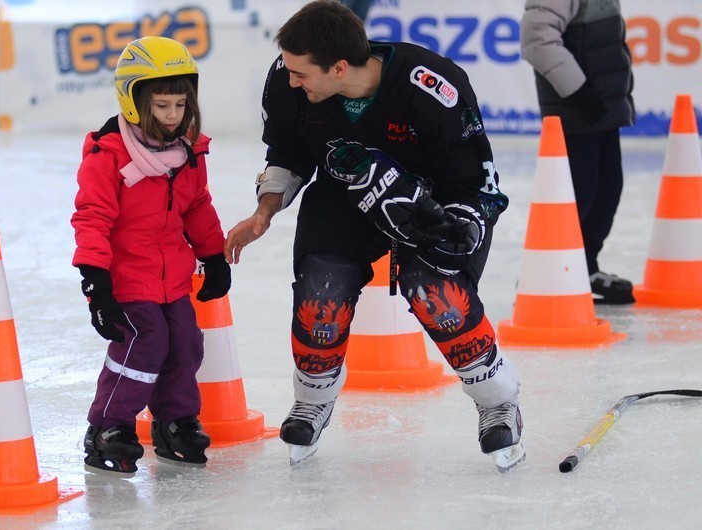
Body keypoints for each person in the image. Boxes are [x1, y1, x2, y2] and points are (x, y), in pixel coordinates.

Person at [224, 0, 524, 472]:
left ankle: (498, 402)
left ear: (339, 67)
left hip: (436, 202)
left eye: (302, 74)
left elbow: (474, 178)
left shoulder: (433, 86)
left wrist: (464, 225)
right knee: (321, 293)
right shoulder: (287, 79)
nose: (291, 81)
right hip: (343, 196)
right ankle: (313, 401)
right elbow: (287, 152)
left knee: (437, 295)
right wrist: (264, 212)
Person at [71, 36, 231, 477]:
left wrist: (213, 256)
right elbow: (93, 218)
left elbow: (197, 206)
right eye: (162, 106)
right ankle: (109, 426)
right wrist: (95, 283)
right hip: (125, 279)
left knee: (185, 342)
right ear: (134, 99)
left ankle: (174, 422)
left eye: (180, 105)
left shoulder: (187, 152)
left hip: (172, 278)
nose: (172, 116)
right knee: (145, 343)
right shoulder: (109, 155)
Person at [521, 0, 636, 304]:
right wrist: (578, 90)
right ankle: (543, 275)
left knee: (606, 190)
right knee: (577, 196)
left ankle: (583, 268)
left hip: (601, 108)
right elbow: (536, 39)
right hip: (574, 107)